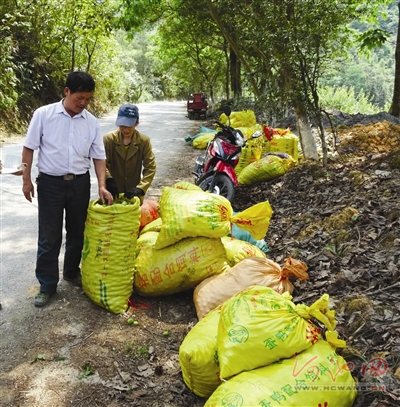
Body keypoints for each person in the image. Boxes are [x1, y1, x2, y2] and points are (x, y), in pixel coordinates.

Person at [22, 71, 114, 308]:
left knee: (77, 231)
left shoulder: (92, 122)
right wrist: (26, 180)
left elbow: (99, 157)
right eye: (79, 98)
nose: (83, 103)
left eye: (88, 99)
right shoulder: (44, 115)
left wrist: (102, 186)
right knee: (49, 235)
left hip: (79, 184)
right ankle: (47, 285)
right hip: (50, 184)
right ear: (67, 92)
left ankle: (71, 273)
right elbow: (29, 148)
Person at [103, 104, 156, 203]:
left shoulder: (144, 141)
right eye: (122, 126)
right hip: (111, 193)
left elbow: (150, 167)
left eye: (129, 126)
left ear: (137, 122)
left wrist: (141, 188)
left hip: (133, 195)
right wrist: (108, 179)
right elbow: (102, 163)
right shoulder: (108, 139)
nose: (125, 130)